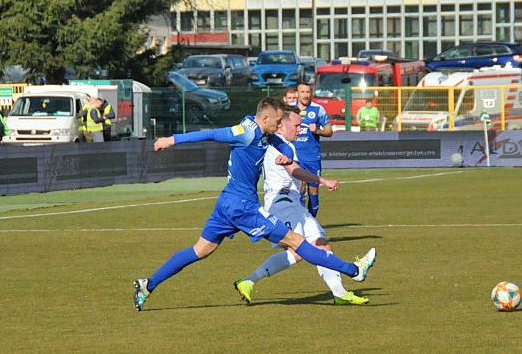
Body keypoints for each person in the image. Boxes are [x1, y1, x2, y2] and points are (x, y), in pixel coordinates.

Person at [132, 97, 376, 312]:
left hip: (227, 202)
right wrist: (171, 139)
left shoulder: (265, 133)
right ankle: (353, 270)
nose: (281, 126)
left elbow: (281, 146)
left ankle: (148, 284)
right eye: (278, 122)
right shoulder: (244, 132)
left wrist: (287, 156)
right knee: (296, 240)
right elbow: (210, 134)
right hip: (242, 206)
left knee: (200, 251)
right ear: (266, 118)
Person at [234, 107, 369, 305]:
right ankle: (349, 278)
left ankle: (248, 281)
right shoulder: (280, 145)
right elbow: (295, 171)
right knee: (314, 246)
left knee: (304, 250)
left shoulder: (281, 143)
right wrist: (322, 180)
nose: (300, 129)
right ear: (281, 126)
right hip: (282, 203)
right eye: (296, 126)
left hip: (288, 203)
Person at [294, 81, 332, 217]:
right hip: (295, 157)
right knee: (299, 189)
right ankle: (301, 221)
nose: (305, 95)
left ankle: (312, 222)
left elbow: (329, 131)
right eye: (302, 92)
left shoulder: (318, 109)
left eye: (308, 92)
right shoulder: (290, 110)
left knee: (313, 190)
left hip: (312, 157)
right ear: (297, 94)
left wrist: (317, 131)